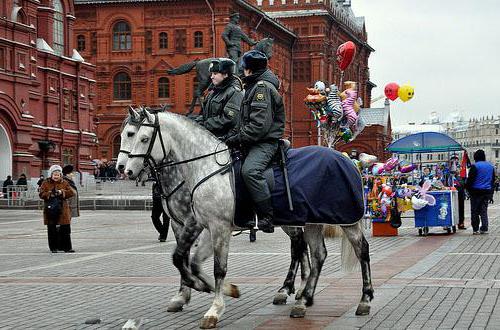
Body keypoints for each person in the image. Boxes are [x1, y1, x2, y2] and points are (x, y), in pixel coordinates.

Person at [225, 50, 285, 233]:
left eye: (244, 69)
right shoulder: (253, 86)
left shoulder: (262, 88)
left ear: (250, 70)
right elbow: (244, 121)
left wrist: (237, 138)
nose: (242, 72)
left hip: (264, 142)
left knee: (250, 171)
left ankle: (267, 216)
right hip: (252, 140)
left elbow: (259, 126)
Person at [192, 58, 243, 139]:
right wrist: (195, 122)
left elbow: (229, 119)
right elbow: (204, 114)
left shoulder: (235, 92)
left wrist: (205, 125)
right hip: (209, 138)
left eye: (215, 74)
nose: (211, 77)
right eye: (211, 73)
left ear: (225, 74)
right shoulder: (213, 91)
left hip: (225, 142)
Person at [39, 165, 75, 253]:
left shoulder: (64, 182)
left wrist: (61, 192)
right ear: (51, 175)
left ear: (60, 175)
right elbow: (41, 194)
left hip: (63, 209)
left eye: (58, 175)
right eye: (54, 174)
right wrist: (50, 194)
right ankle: (53, 248)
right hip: (51, 209)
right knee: (52, 229)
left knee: (65, 229)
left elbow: (71, 192)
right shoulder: (45, 183)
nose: (56, 176)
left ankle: (67, 247)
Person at [465, 149, 496, 235]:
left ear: (475, 157)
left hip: (475, 192)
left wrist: (467, 188)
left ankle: (475, 229)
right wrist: (491, 194)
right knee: (483, 210)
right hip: (486, 191)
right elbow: (492, 181)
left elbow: (470, 180)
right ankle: (484, 228)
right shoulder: (491, 167)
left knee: (474, 211)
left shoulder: (475, 166)